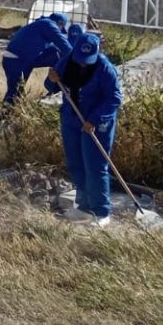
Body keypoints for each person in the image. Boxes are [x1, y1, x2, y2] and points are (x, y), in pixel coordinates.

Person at [48, 34, 124, 227]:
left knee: (95, 166)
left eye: (87, 61)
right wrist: (52, 78)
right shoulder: (67, 60)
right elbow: (51, 86)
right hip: (72, 118)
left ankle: (101, 212)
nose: (83, 64)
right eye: (80, 60)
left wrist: (94, 120)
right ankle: (84, 206)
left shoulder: (105, 68)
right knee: (76, 163)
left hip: (97, 124)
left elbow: (114, 99)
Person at [2, 12, 71, 109]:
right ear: (60, 24)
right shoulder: (48, 25)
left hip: (23, 59)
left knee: (18, 92)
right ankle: (4, 119)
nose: (60, 31)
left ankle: (58, 88)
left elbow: (55, 50)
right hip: (16, 60)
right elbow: (63, 44)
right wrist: (75, 59)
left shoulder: (39, 26)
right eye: (61, 29)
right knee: (14, 92)